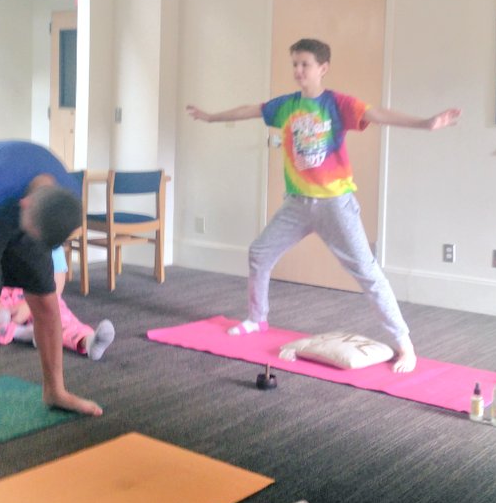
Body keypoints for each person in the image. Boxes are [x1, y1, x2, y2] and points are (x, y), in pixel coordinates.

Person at [187, 38, 461, 373]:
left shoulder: (337, 104)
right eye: (295, 64)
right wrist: (210, 117)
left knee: (367, 272)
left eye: (305, 64)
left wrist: (425, 123)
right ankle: (257, 318)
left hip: (335, 204)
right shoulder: (286, 105)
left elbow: (377, 113)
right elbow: (250, 109)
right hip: (297, 204)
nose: (298, 70)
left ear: (323, 68)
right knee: (259, 252)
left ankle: (405, 345)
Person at [0, 140, 102, 415]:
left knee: (46, 302)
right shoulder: (2, 182)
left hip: (25, 213)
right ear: (24, 204)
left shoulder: (67, 198)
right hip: (0, 205)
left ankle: (55, 391)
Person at [0, 246, 115, 360]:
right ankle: (22, 333)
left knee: (59, 316)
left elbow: (56, 285)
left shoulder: (48, 240)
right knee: (0, 316)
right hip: (3, 297)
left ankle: (88, 341)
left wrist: (30, 306)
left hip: (38, 295)